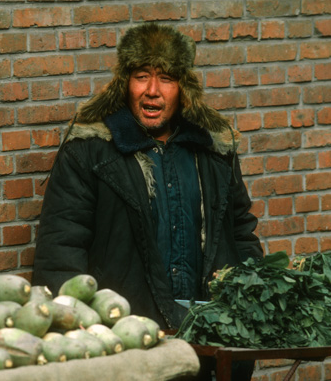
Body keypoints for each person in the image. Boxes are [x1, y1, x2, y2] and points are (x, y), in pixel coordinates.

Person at [33, 23, 263, 379]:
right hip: (128, 343)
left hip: (211, 339)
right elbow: (61, 249)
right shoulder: (90, 152)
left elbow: (241, 232)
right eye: (142, 76)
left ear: (183, 88)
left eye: (166, 79)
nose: (152, 91)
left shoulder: (214, 151)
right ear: (125, 82)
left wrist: (251, 307)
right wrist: (80, 338)